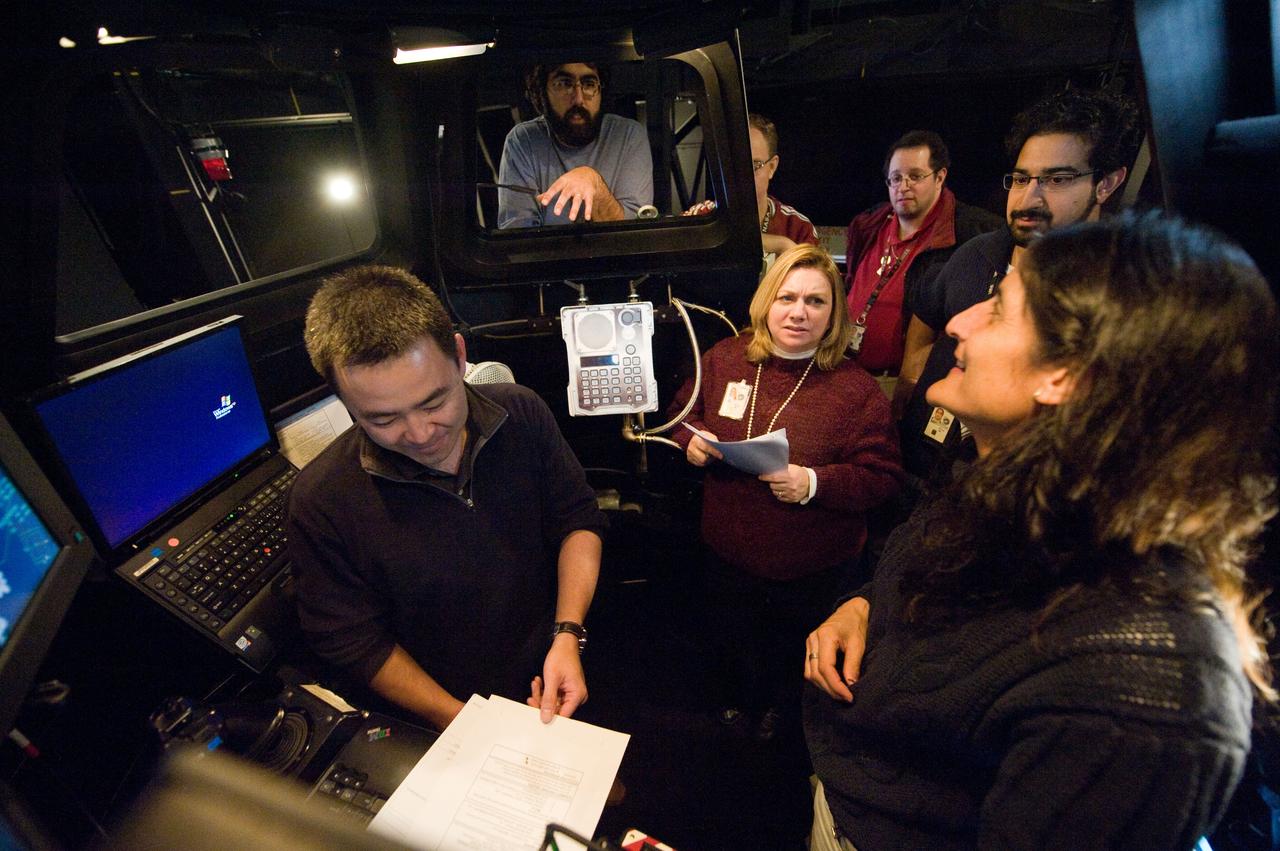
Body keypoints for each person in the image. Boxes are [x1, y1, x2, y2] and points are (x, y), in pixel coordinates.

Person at [803, 212, 1275, 850]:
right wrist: (864, 605)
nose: (956, 322)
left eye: (997, 309)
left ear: (1067, 376)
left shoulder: (1146, 689)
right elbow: (917, 576)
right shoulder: (1003, 475)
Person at [287, 265, 607, 731]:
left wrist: (567, 634)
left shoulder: (521, 411)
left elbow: (577, 520)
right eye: (381, 419)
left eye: (434, 403)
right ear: (343, 402)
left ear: (459, 356)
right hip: (439, 706)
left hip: (553, 653)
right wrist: (468, 722)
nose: (419, 434)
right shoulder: (321, 502)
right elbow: (355, 642)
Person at [670, 243, 901, 745]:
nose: (799, 312)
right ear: (766, 302)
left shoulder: (855, 390)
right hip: (727, 553)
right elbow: (682, 414)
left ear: (833, 313)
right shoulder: (725, 358)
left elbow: (882, 477)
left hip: (812, 570)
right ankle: (734, 709)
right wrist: (691, 441)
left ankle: (785, 723)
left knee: (791, 660)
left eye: (815, 302)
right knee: (731, 642)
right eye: (787, 297)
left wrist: (815, 483)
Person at [898, 88, 1139, 482]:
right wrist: (908, 387)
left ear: (1107, 183)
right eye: (1022, 179)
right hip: (923, 472)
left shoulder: (1112, 293)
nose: (1029, 199)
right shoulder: (976, 254)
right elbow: (927, 315)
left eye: (1057, 179)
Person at [843, 131, 1001, 406]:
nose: (903, 186)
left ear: (940, 177)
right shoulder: (867, 225)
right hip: (847, 373)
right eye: (896, 178)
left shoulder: (970, 234)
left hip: (903, 386)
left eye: (915, 176)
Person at [497, 62, 653, 228]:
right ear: (542, 91)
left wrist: (595, 184)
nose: (578, 99)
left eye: (589, 84)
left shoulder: (628, 135)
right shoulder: (523, 141)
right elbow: (518, 239)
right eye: (564, 84)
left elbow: (634, 235)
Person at [685, 113, 820, 268]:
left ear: (772, 167)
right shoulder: (700, 218)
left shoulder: (797, 228)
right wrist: (780, 244)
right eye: (734, 164)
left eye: (754, 165)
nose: (742, 175)